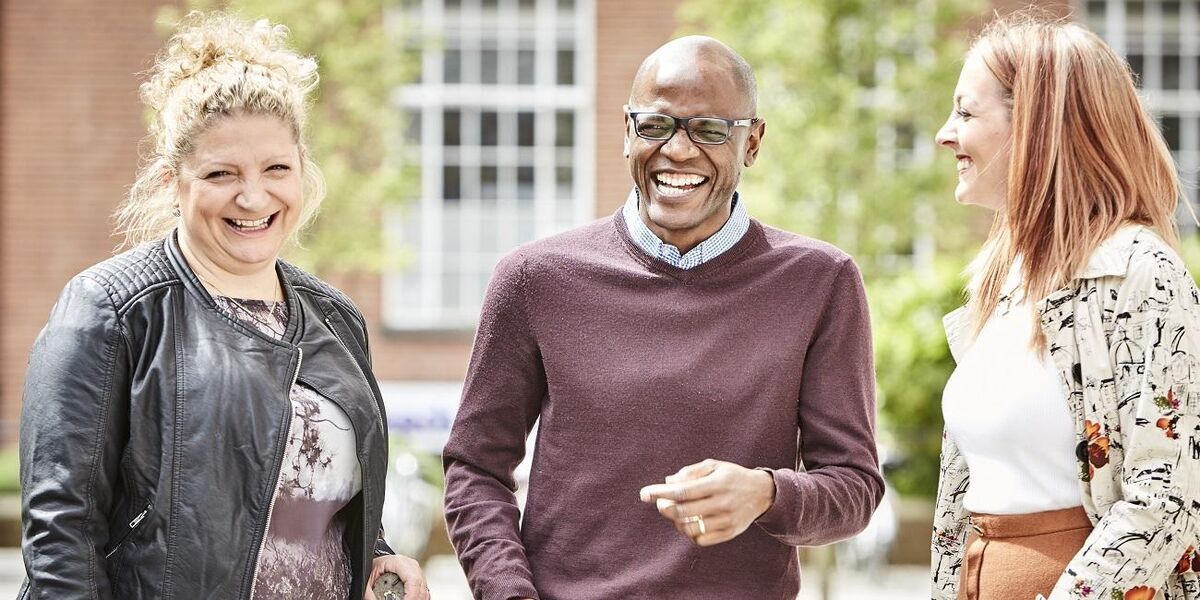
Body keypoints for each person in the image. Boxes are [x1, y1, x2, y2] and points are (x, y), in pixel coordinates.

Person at [442, 35, 882, 600]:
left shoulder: (820, 282)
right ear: (627, 132)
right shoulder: (534, 279)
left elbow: (855, 487)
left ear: (752, 142)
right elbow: (475, 469)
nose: (677, 150)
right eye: (656, 126)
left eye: (710, 129)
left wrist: (766, 494)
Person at [18, 13, 427, 600]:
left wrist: (381, 559)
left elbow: (321, 503)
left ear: (302, 171)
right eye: (221, 173)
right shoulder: (109, 311)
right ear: (171, 182)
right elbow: (62, 545)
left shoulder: (337, 319)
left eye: (276, 169)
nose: (254, 196)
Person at [931, 12, 1200, 600]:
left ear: (1034, 127)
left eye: (966, 112)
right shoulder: (1004, 278)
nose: (944, 134)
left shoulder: (1140, 272)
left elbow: (1165, 500)